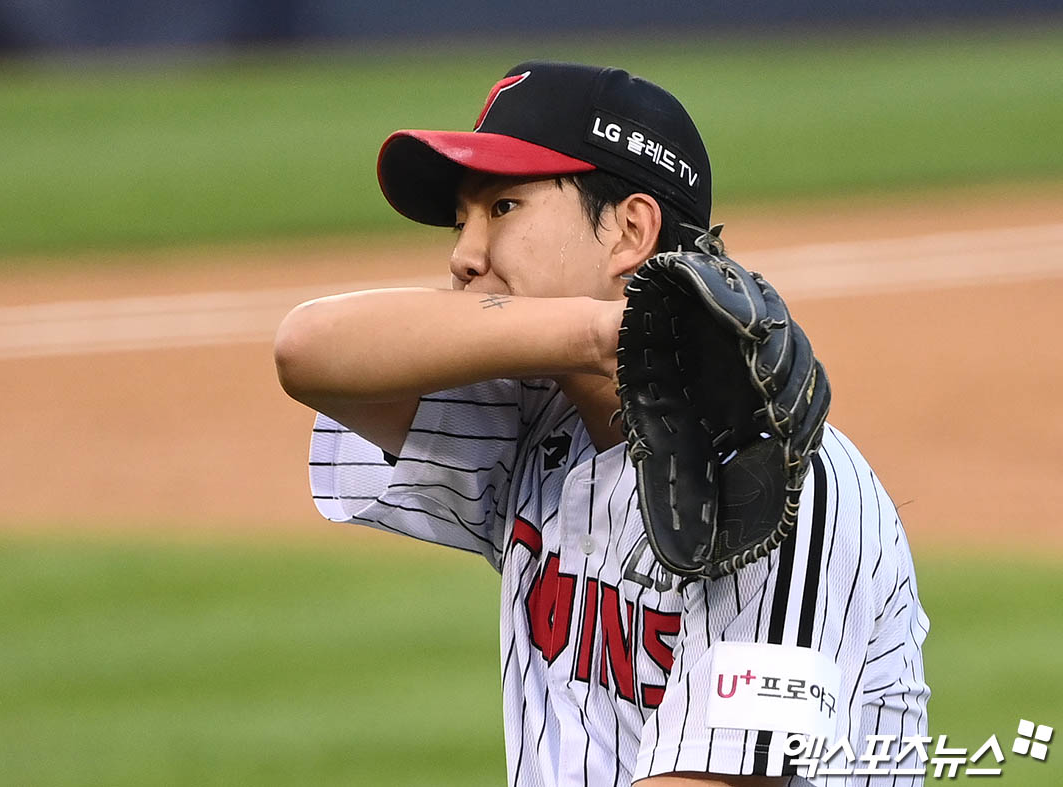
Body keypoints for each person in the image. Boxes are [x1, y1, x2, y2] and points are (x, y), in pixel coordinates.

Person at [274, 61, 930, 786]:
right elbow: (308, 349)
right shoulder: (537, 411)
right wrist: (599, 332)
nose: (463, 255)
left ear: (630, 230)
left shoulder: (778, 480)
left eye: (503, 208)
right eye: (463, 220)